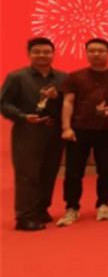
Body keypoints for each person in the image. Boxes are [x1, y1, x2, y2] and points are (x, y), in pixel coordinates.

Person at [58, 38, 108, 226]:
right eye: (92, 51)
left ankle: (103, 205)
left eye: (100, 51)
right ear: (86, 53)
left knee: (106, 170)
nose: (96, 54)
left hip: (107, 130)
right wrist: (66, 127)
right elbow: (68, 102)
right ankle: (72, 208)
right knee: (73, 172)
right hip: (78, 129)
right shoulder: (75, 76)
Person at [0, 38, 67, 231]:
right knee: (27, 174)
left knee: (49, 172)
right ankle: (24, 217)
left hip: (54, 131)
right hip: (27, 131)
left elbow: (69, 103)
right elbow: (4, 104)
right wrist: (22, 116)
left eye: (46, 52)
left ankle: (40, 209)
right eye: (37, 52)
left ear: (53, 54)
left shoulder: (63, 78)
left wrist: (57, 97)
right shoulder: (17, 77)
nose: (42, 55)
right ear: (28, 54)